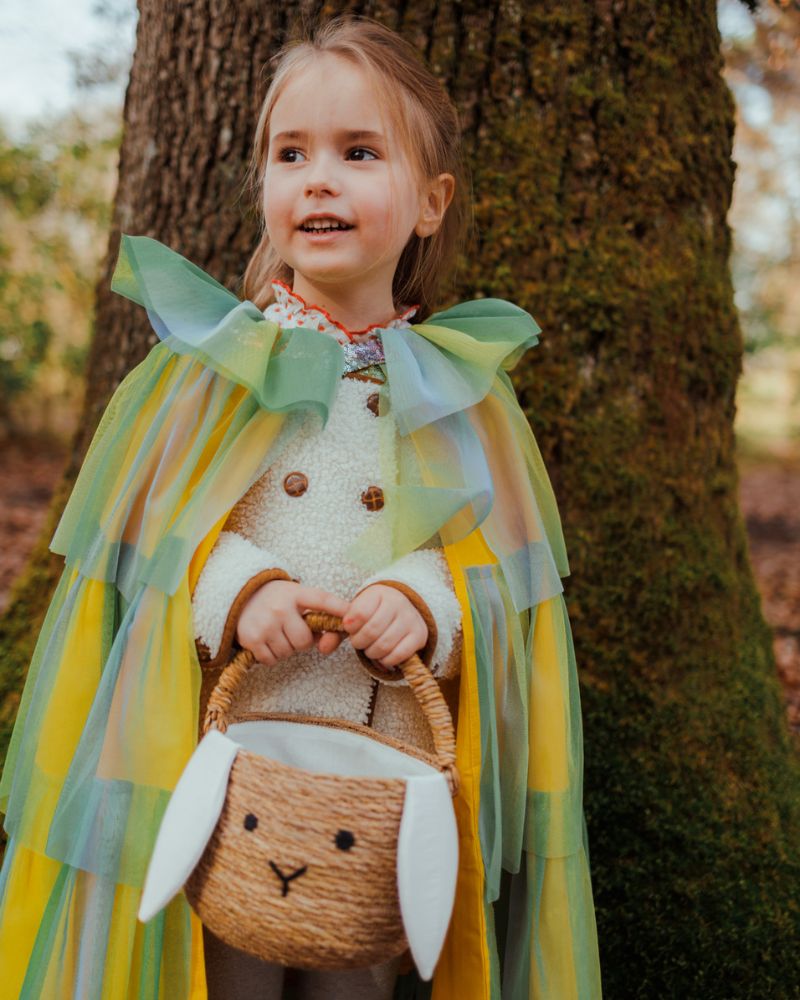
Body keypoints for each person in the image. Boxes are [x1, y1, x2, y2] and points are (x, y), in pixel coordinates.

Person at [0, 13, 602, 1000]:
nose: (318, 179)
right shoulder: (215, 370)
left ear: (430, 202)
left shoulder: (461, 395)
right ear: (264, 185)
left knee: (354, 978)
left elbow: (500, 581)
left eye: (358, 152)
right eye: (291, 154)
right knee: (225, 970)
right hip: (224, 771)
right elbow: (150, 551)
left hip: (379, 781)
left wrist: (427, 602)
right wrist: (239, 590)